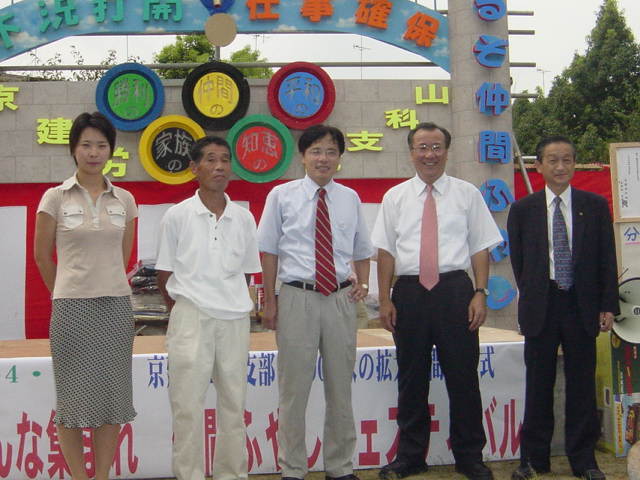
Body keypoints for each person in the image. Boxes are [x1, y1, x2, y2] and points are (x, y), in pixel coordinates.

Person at [372, 122, 502, 480]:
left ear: (447, 151)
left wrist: (480, 292)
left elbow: (480, 247)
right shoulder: (395, 197)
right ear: (411, 152)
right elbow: (385, 252)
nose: (429, 154)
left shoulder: (466, 194)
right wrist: (384, 299)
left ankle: (469, 457)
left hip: (455, 291)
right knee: (411, 378)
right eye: (422, 147)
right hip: (409, 293)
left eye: (436, 147)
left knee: (463, 378)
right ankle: (411, 456)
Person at [257, 124, 373, 480]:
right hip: (297, 297)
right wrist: (270, 300)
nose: (324, 158)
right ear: (303, 157)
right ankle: (293, 468)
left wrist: (363, 283)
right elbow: (268, 250)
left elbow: (361, 249)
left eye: (331, 152)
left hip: (340, 299)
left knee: (340, 388)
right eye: (316, 151)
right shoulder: (282, 195)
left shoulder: (350, 198)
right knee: (294, 389)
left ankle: (340, 467)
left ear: (339, 158)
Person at [507, 136, 619, 480]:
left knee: (582, 385)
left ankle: (584, 460)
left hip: (581, 305)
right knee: (537, 384)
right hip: (542, 304)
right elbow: (520, 263)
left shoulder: (594, 205)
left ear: (573, 164)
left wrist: (607, 304)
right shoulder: (523, 210)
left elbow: (606, 258)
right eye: (552, 160)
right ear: (538, 166)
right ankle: (533, 459)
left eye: (567, 159)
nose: (560, 167)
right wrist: (534, 295)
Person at [34, 111, 137, 480]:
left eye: (101, 145)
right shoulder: (54, 197)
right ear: (73, 149)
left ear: (111, 150)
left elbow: (124, 255)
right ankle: (79, 476)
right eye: (86, 145)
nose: (94, 153)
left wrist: (103, 283)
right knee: (72, 400)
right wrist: (66, 292)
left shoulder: (125, 199)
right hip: (71, 311)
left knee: (111, 399)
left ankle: (102, 475)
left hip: (116, 308)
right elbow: (42, 256)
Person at [155, 135, 261, 480]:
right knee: (187, 405)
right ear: (194, 168)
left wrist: (230, 301)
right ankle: (189, 474)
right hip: (191, 317)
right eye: (211, 160)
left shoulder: (243, 218)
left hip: (234, 320)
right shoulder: (177, 215)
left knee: (234, 403)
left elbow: (248, 272)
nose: (219, 167)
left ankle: (232, 474)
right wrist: (187, 307)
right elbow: (164, 273)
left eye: (225, 160)